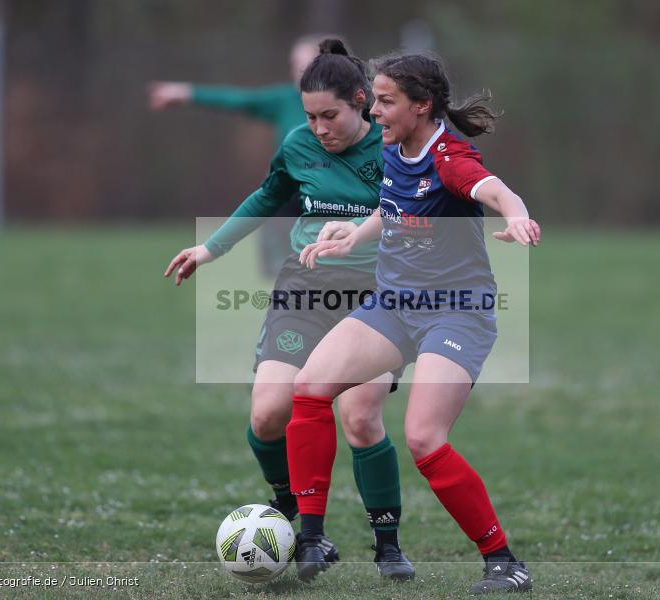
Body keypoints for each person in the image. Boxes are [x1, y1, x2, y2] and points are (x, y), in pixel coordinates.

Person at [286, 51, 541, 594]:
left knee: (424, 438)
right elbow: (396, 205)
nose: (372, 111)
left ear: (421, 106)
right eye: (374, 100)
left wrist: (516, 214)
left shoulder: (448, 156)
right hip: (395, 305)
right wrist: (354, 235)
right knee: (308, 388)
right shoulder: (395, 148)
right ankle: (311, 539)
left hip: (456, 312)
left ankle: (503, 561)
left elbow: (491, 188)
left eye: (385, 101)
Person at [163, 39, 415, 582]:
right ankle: (293, 509)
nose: (320, 128)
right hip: (305, 289)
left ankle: (387, 545)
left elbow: (420, 211)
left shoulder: (395, 149)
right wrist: (210, 249)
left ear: (362, 102)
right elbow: (266, 196)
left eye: (331, 115)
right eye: (311, 117)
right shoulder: (299, 144)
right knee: (267, 414)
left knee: (359, 415)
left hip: (377, 295)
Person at [149, 36, 319, 277]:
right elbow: (239, 100)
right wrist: (186, 93)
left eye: (306, 65)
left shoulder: (354, 110)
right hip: (287, 198)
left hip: (325, 201)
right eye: (295, 64)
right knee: (282, 274)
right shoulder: (286, 100)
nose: (298, 72)